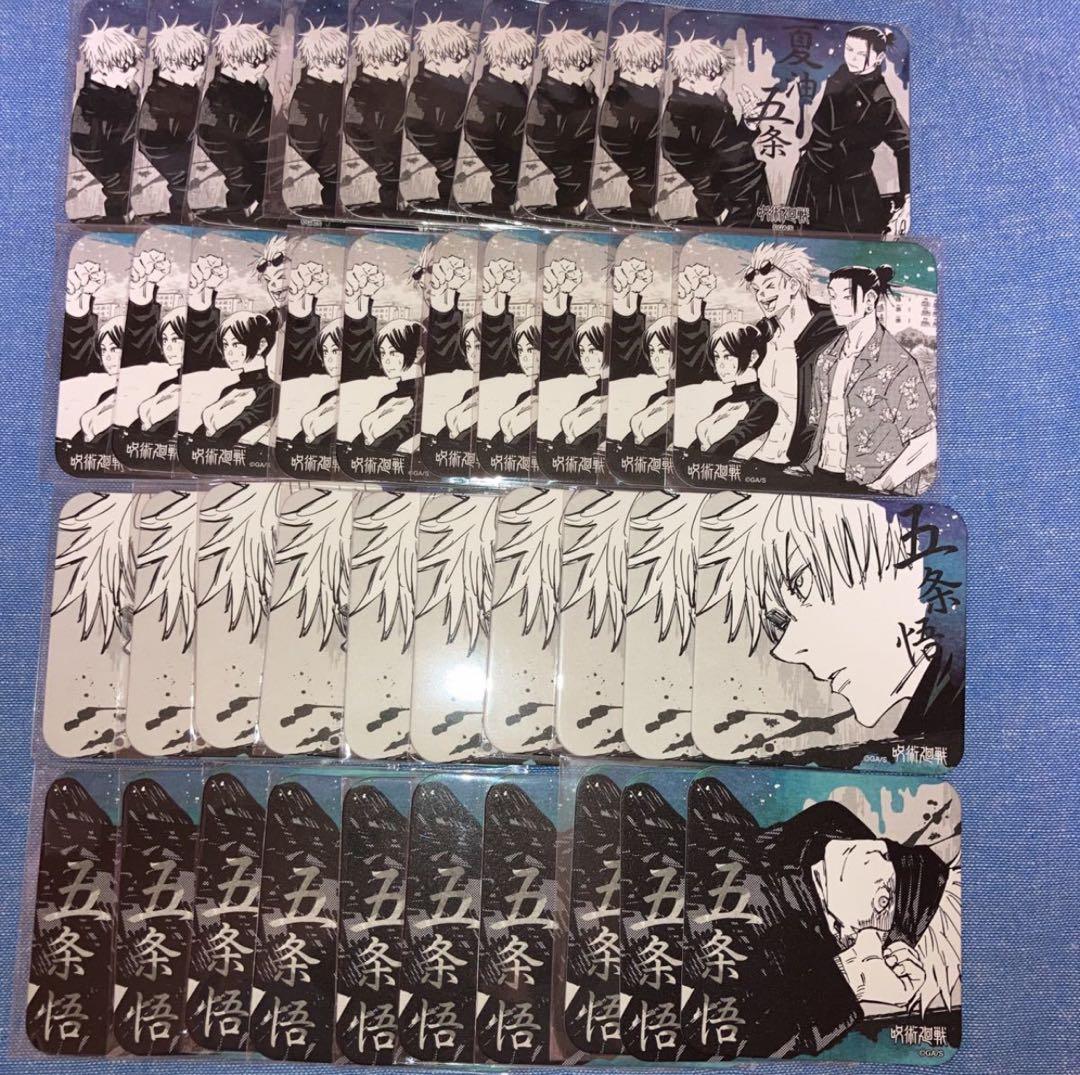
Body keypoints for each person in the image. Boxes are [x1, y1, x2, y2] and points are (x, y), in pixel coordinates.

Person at [685, 778, 960, 1058]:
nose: (878, 852)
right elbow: (706, 796)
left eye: (884, 897)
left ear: (852, 936)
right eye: (891, 854)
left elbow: (709, 1033)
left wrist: (852, 978)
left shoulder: (782, 953)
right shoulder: (809, 839)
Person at [700, 493, 963, 758]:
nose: (786, 651)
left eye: (801, 585)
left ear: (906, 559)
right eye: (780, 622)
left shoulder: (958, 707)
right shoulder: (932, 735)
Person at [802, 265, 935, 493]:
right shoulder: (827, 358)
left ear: (870, 299)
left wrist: (885, 483)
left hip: (874, 485)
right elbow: (818, 421)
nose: (836, 304)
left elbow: (928, 439)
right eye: (832, 296)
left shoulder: (897, 362)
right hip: (823, 474)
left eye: (846, 296)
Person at [787, 26, 910, 237]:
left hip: (849, 189)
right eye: (849, 49)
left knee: (851, 246)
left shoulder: (880, 98)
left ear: (879, 58)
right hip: (812, 174)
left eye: (861, 53)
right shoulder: (842, 74)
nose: (852, 57)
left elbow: (904, 143)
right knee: (797, 241)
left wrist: (908, 196)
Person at [734, 244, 842, 477]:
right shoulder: (763, 333)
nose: (761, 296)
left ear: (793, 285)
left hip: (804, 462)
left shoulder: (832, 329)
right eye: (756, 289)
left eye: (769, 285)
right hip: (756, 451)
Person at [659, 35, 769, 226]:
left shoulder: (715, 98)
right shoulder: (678, 114)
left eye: (719, 74)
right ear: (689, 75)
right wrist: (718, 208)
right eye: (711, 75)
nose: (719, 81)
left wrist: (749, 123)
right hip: (730, 203)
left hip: (751, 187)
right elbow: (685, 162)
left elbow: (731, 146)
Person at [196, 19, 275, 218]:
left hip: (267, 186)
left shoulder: (255, 87)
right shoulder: (218, 98)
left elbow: (268, 127)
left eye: (263, 61)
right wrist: (247, 193)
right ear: (232, 60)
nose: (263, 67)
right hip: (249, 196)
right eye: (255, 62)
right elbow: (213, 140)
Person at [342, 262, 423, 452]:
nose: (386, 360)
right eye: (383, 353)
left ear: (418, 353)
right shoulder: (388, 397)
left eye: (393, 352)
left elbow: (399, 435)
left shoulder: (422, 398)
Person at [70, 22, 144, 221]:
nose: (133, 72)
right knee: (119, 211)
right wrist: (116, 185)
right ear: (102, 68)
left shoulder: (122, 91)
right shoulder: (90, 104)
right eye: (125, 67)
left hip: (127, 170)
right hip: (118, 180)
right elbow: (84, 148)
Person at [137, 20, 209, 217]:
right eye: (193, 64)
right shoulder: (158, 99)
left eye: (201, 63)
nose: (201, 71)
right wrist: (183, 182)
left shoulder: (190, 91)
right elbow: (151, 144)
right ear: (170, 65)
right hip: (183, 183)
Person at [525, 24, 599, 216]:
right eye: (581, 65)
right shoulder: (545, 100)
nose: (589, 71)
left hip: (589, 174)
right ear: (559, 64)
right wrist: (574, 181)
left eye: (589, 64)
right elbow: (542, 143)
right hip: (574, 186)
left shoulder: (581, 89)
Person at [461, 21, 535, 210]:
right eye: (523, 63)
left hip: (519, 169)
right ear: (501, 61)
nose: (529, 70)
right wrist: (506, 171)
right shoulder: (488, 92)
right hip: (508, 176)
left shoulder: (515, 85)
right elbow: (476, 133)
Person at [404, 17, 477, 207]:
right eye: (458, 57)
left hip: (461, 162)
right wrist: (446, 165)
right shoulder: (423, 89)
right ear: (436, 57)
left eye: (466, 56)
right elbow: (415, 127)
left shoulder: (455, 83)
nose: (465, 63)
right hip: (447, 166)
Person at [540, 258, 609, 452]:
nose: (586, 358)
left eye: (593, 350)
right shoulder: (588, 396)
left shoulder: (616, 399)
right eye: (582, 351)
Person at [596, 26, 664, 217]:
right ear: (632, 66)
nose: (660, 73)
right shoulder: (618, 102)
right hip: (646, 180)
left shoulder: (648, 89)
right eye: (653, 67)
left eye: (660, 65)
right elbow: (613, 139)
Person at [343, 20, 410, 211]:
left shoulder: (394, 84)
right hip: (389, 174)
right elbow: (355, 132)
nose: (403, 67)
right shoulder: (362, 92)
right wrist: (389, 173)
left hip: (402, 168)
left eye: (403, 59)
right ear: (373, 60)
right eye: (396, 61)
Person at [690, 322, 778, 459]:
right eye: (717, 357)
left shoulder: (765, 405)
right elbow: (694, 449)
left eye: (727, 356)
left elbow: (728, 445)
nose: (720, 365)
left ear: (753, 357)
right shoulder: (722, 403)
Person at [287, 21, 349, 212]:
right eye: (341, 63)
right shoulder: (306, 97)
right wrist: (334, 174)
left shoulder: (335, 89)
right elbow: (303, 142)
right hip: (333, 185)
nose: (345, 70)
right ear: (320, 63)